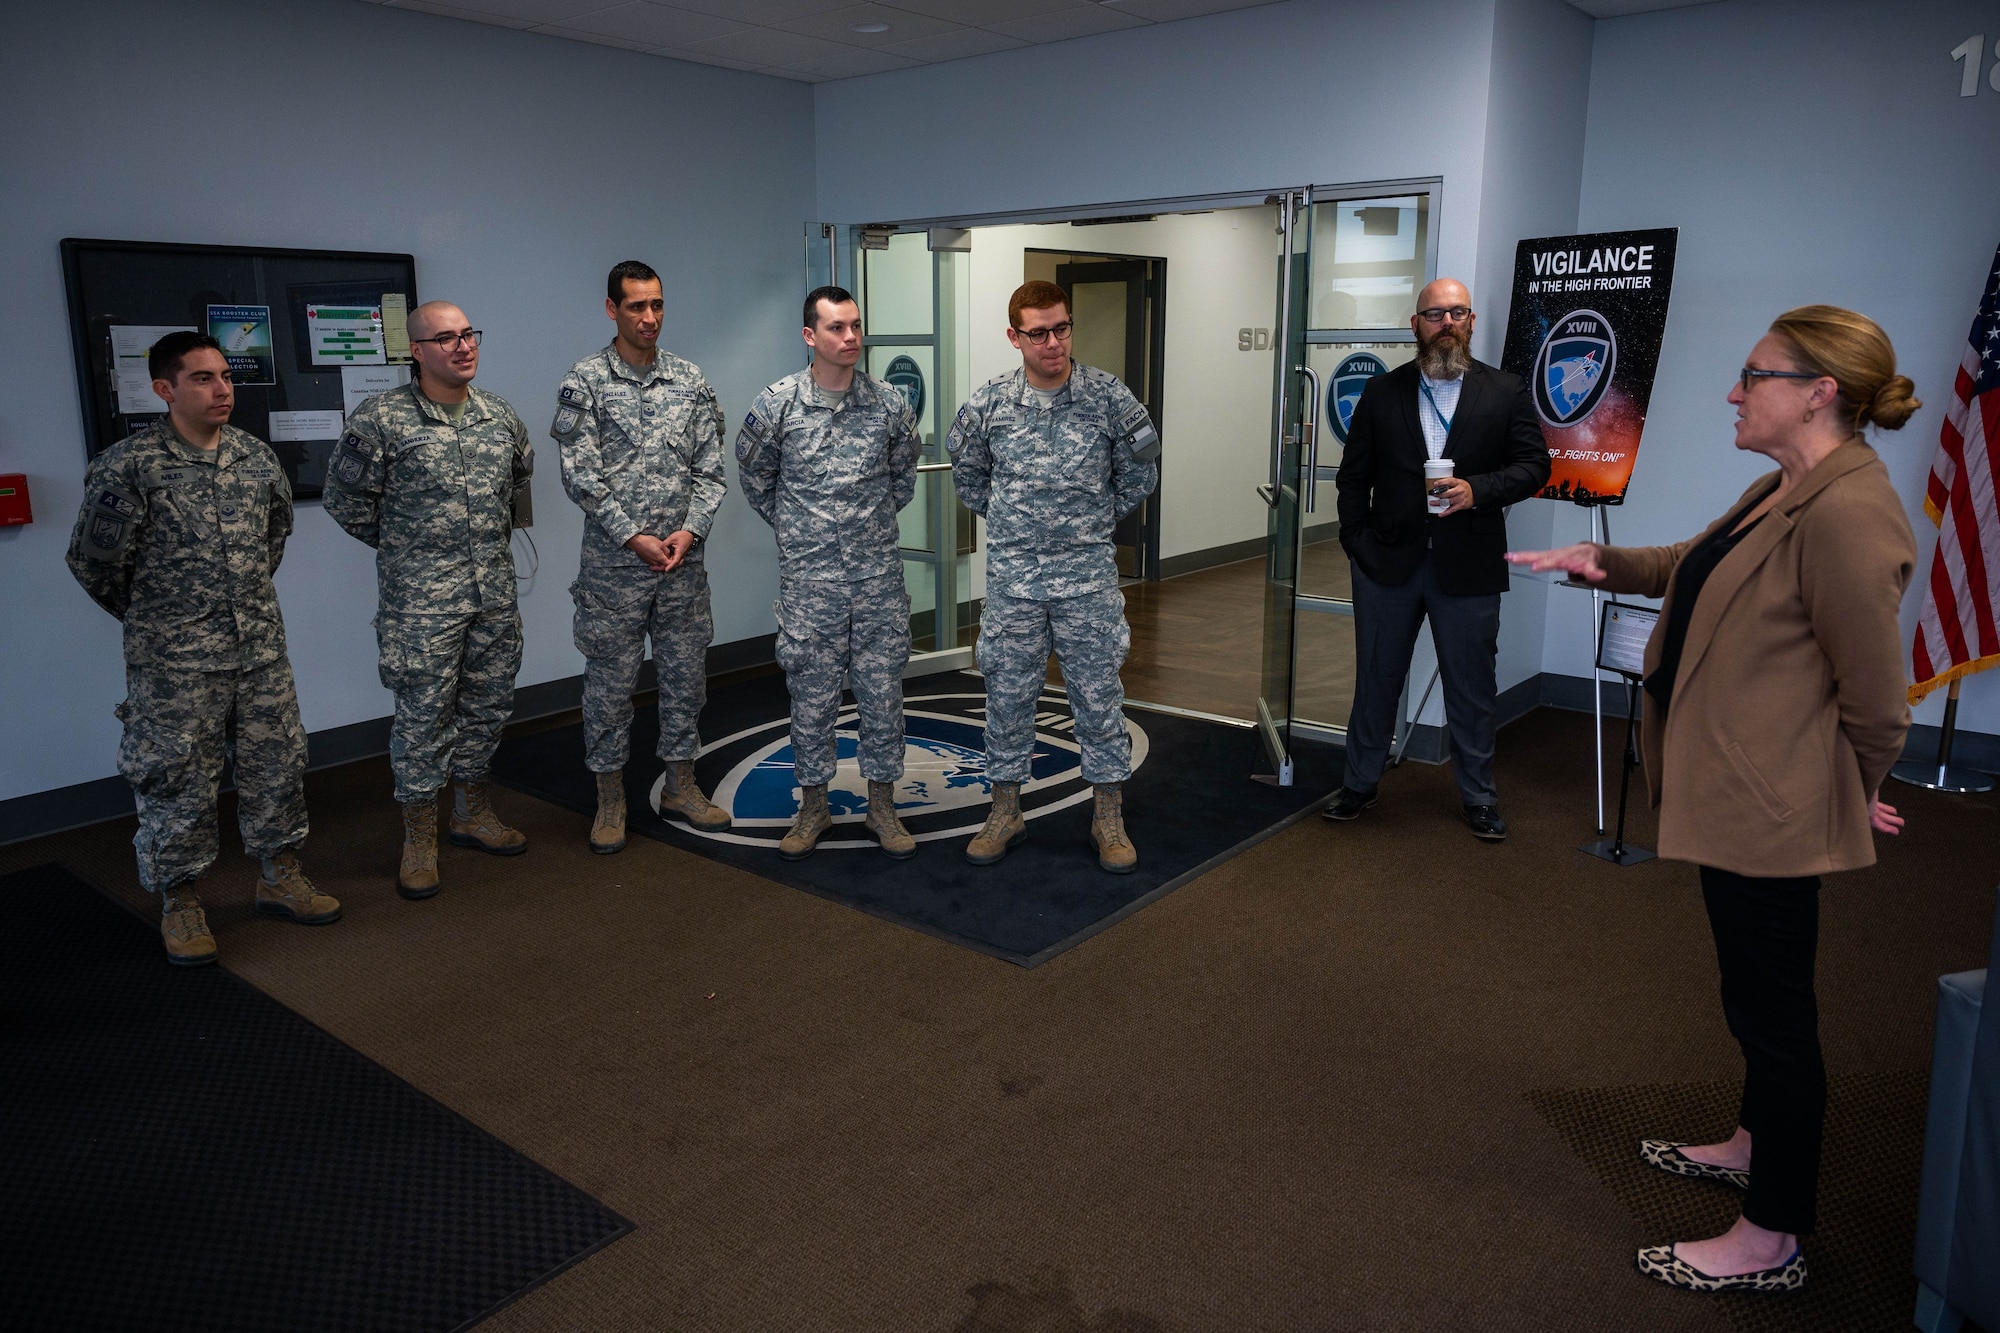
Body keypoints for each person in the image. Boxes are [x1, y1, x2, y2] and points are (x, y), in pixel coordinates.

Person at [1509, 305, 1920, 1294]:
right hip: (1746, 794)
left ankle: (1769, 1235)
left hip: (1771, 809)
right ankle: (1749, 1139)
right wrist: (1597, 560)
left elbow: (1875, 699)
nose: (1733, 392)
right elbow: (1690, 567)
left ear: (1818, 390)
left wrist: (1848, 792)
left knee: (1775, 1015)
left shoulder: (1847, 513)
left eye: (1753, 374)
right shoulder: (1785, 485)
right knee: (1748, 995)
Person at [67, 331, 339, 965]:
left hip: (259, 649)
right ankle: (180, 900)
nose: (222, 390)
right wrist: (164, 621)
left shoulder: (255, 458)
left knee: (276, 764)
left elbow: (272, 543)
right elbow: (96, 565)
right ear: (164, 389)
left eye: (225, 376)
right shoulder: (127, 467)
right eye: (202, 379)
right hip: (175, 662)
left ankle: (280, 875)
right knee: (175, 778)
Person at [1325, 278, 1551, 840]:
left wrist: (1478, 489)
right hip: (1387, 566)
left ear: (1472, 322)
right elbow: (1354, 478)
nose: (1446, 323)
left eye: (1457, 312)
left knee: (1471, 687)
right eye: (1434, 314)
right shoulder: (1383, 393)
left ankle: (1479, 797)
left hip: (1468, 565)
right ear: (1415, 326)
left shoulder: (1506, 391)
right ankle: (1359, 785)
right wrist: (1357, 542)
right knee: (1376, 680)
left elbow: (1534, 466)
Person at [324, 301, 534, 899]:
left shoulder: (499, 416)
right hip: (421, 605)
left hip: (493, 595)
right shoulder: (382, 420)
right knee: (423, 718)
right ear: (415, 351)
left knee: (489, 707)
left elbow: (516, 487)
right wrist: (409, 553)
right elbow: (347, 503)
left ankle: (471, 812)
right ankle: (419, 836)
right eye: (445, 338)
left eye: (469, 334)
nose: (463, 346)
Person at [948, 280, 1159, 873]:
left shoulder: (1108, 398)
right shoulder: (988, 405)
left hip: (1086, 579)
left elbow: (1140, 472)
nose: (1052, 343)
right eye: (1037, 332)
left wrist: (1086, 521)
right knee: (1007, 696)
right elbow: (969, 479)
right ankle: (1005, 810)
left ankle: (1108, 816)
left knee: (1098, 698)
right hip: (1015, 581)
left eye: (1061, 328)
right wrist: (1022, 525)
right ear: (1014, 336)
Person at [737, 286, 922, 860]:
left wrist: (861, 535)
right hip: (809, 584)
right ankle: (812, 806)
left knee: (883, 694)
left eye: (856, 326)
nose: (851, 338)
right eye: (837, 328)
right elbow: (755, 479)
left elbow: (903, 479)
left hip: (877, 583)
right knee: (811, 699)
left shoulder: (889, 404)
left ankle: (883, 807)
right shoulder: (778, 405)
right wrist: (802, 532)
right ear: (809, 336)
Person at [554, 260, 731, 853]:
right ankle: (610, 797)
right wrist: (632, 535)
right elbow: (581, 476)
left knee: (686, 678)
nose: (649, 317)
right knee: (610, 684)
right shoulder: (585, 382)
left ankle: (681, 784)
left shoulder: (690, 380)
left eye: (657, 304)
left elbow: (710, 470)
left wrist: (692, 530)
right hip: (615, 570)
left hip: (681, 567)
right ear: (612, 309)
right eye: (636, 306)